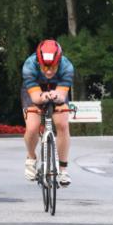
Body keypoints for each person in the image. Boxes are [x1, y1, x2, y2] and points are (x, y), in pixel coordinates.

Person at [21, 39, 74, 186]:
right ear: (39, 62)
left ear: (59, 62)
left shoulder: (67, 66)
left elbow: (62, 95)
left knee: (62, 124)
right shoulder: (29, 65)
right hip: (34, 89)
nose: (49, 71)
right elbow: (35, 97)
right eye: (45, 68)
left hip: (58, 88)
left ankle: (63, 170)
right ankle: (31, 158)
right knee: (32, 127)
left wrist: (57, 96)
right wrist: (41, 97)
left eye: (53, 67)